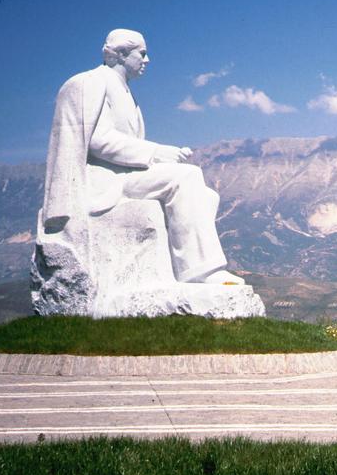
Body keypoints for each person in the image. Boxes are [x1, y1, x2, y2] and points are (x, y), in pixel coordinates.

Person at [41, 28, 242, 285]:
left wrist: (160, 155)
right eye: (142, 54)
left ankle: (186, 269)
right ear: (123, 54)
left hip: (125, 175)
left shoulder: (125, 92)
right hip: (105, 180)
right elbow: (98, 141)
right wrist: (157, 153)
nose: (147, 60)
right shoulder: (92, 82)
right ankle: (200, 272)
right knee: (187, 176)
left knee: (207, 196)